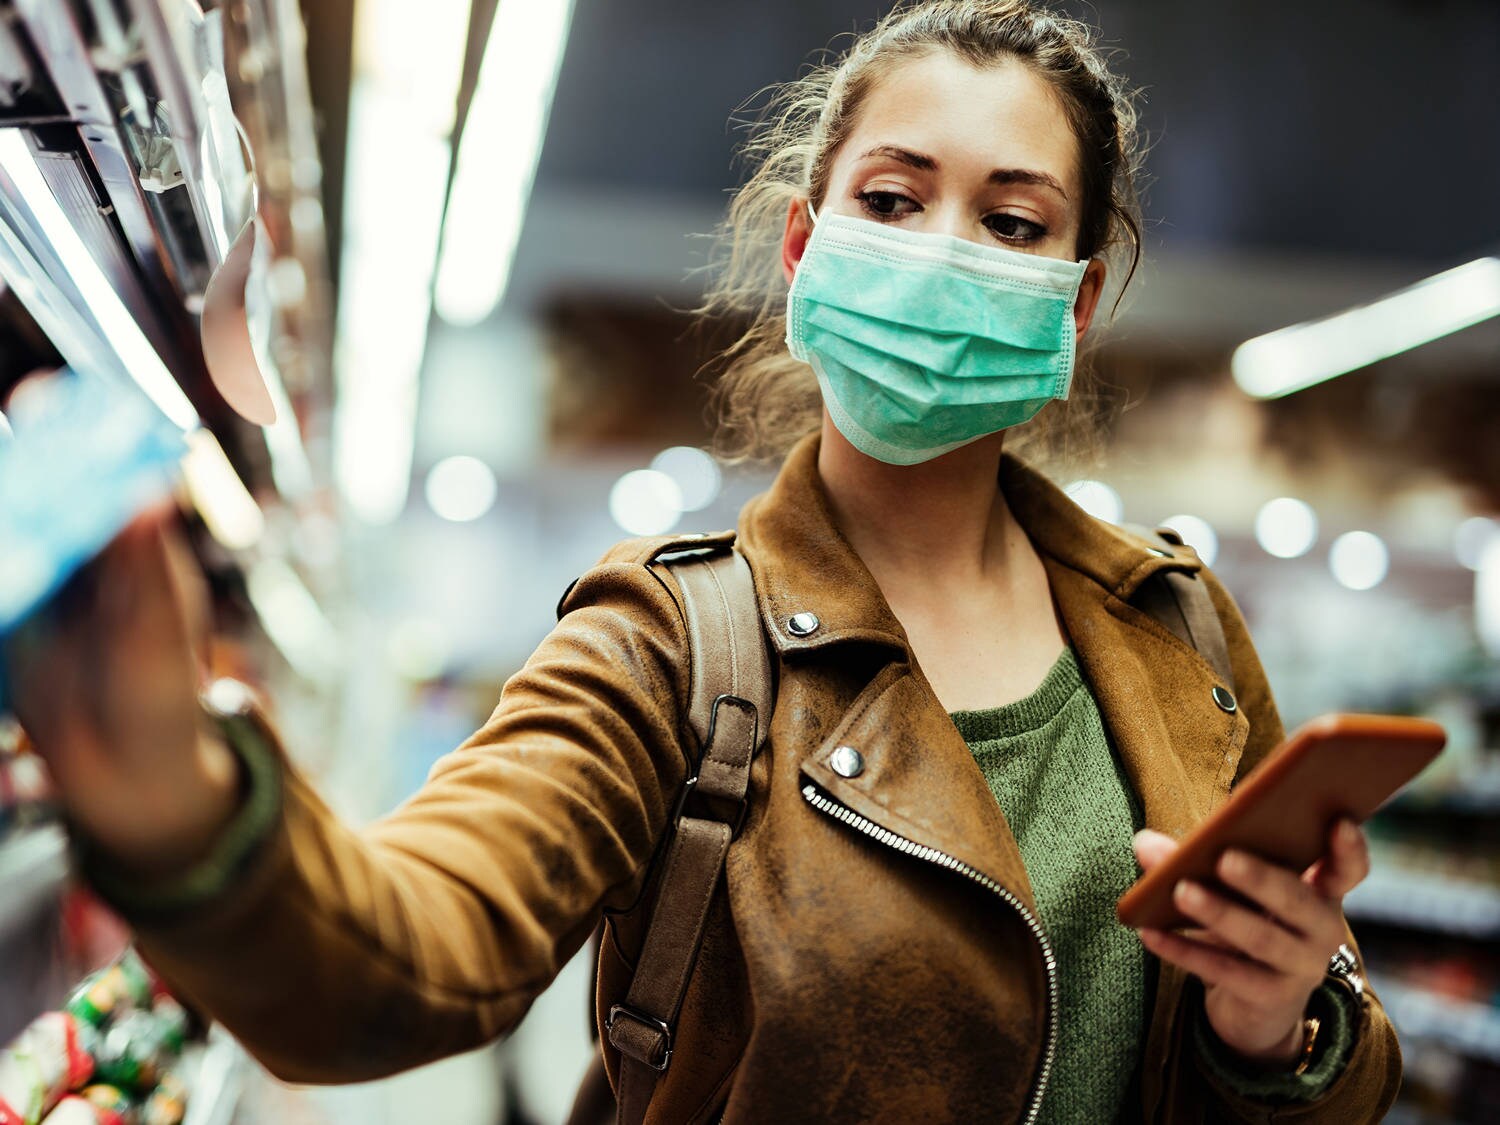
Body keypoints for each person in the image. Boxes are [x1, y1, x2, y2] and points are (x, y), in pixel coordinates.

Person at [6, 1, 1401, 1121]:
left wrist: (1275, 1029)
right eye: (896, 197)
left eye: (1015, 223)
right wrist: (187, 814)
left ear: (1078, 302)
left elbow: (1320, 1056)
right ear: (805, 249)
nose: (943, 253)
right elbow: (418, 947)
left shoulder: (1180, 629)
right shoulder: (675, 638)